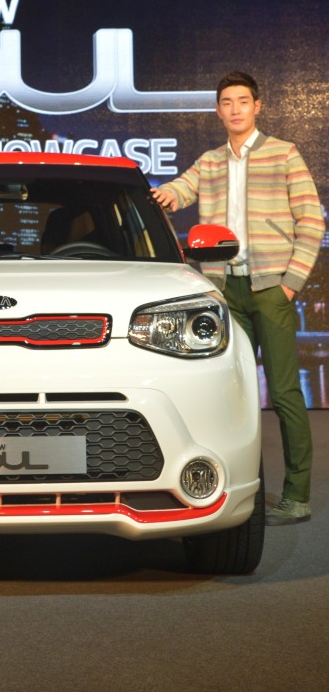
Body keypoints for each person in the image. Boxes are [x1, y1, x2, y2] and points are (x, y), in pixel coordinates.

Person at [153, 71, 325, 526]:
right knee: (232, 396)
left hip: (271, 290)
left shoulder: (284, 153)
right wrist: (163, 194)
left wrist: (290, 283)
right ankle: (234, 492)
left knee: (285, 393)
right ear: (217, 110)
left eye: (242, 101)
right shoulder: (209, 161)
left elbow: (311, 222)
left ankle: (297, 494)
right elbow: (180, 188)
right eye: (226, 102)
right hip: (225, 291)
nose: (234, 109)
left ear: (258, 106)